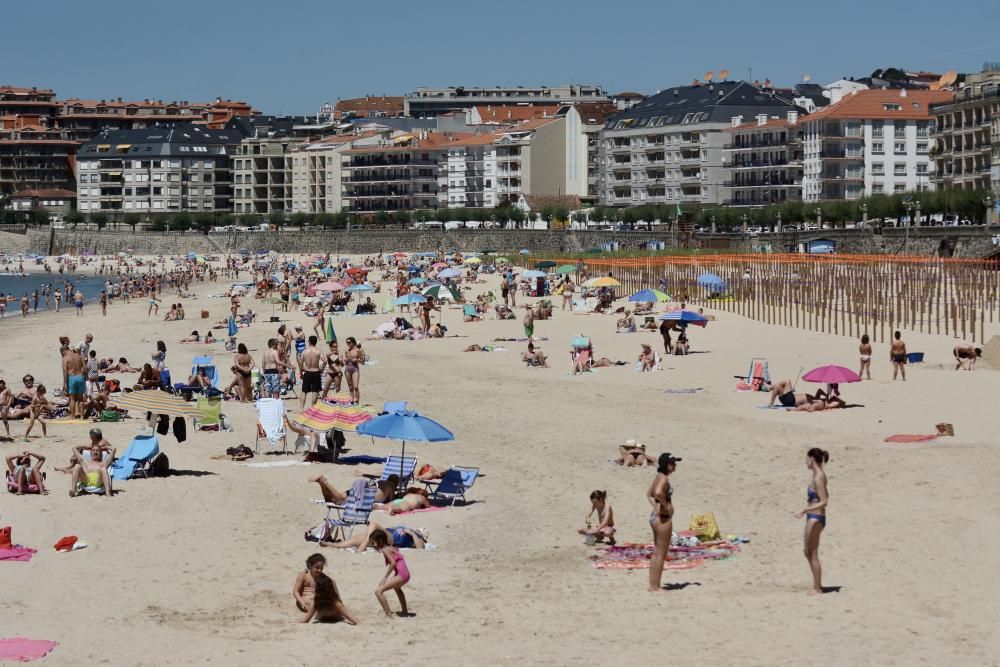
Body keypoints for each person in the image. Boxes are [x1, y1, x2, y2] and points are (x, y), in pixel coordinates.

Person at [796, 448, 830, 596]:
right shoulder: (817, 476)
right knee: (807, 552)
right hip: (813, 517)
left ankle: (817, 588)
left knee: (813, 552)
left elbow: (824, 501)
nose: (805, 462)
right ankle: (816, 584)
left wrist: (805, 510)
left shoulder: (819, 477)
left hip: (816, 518)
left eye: (806, 459)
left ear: (811, 459)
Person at [647, 452, 680, 592]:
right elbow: (659, 492)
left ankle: (652, 584)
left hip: (655, 518)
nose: (675, 465)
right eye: (673, 463)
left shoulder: (658, 477)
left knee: (656, 552)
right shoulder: (664, 479)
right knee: (661, 553)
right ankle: (655, 586)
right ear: (668, 465)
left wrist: (655, 506)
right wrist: (665, 506)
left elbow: (649, 494)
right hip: (663, 519)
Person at [371, 529, 411, 618]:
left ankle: (388, 615)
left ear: (380, 540)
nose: (373, 545)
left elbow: (393, 563)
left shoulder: (384, 549)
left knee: (378, 592)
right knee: (397, 588)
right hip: (406, 573)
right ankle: (405, 611)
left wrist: (384, 578)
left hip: (402, 574)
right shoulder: (392, 547)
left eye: (374, 542)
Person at [309, 474, 399, 505]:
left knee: (331, 500)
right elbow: (391, 501)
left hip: (362, 488)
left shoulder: (382, 482)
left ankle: (321, 483)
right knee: (339, 499)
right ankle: (325, 482)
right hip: (365, 495)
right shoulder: (391, 486)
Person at [299, 335, 324, 410]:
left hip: (307, 372)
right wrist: (321, 369)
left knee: (304, 391)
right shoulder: (318, 351)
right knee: (315, 391)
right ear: (316, 342)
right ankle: (312, 408)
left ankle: (301, 408)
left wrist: (301, 373)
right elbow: (325, 361)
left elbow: (301, 363)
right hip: (316, 372)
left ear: (309, 341)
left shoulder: (305, 351)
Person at [63, 347, 86, 419]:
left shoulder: (66, 358)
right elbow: (85, 367)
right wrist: (85, 376)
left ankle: (72, 416)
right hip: (80, 377)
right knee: (80, 398)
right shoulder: (80, 356)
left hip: (72, 378)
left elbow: (65, 371)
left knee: (72, 399)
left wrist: (65, 383)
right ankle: (82, 416)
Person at [344, 337, 362, 404]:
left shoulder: (358, 350)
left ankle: (357, 403)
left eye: (349, 342)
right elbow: (345, 362)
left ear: (353, 342)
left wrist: (356, 360)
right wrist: (345, 360)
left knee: (356, 387)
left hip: (355, 369)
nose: (347, 344)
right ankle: (351, 403)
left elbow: (363, 360)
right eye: (347, 342)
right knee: (350, 388)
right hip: (347, 369)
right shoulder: (347, 351)